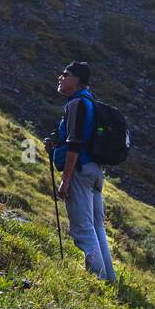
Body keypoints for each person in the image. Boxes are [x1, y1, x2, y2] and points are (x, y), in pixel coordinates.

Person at [51, 61, 116, 282]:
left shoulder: (77, 102)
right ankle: (109, 277)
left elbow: (75, 142)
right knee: (97, 227)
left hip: (80, 170)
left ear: (76, 80)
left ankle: (98, 280)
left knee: (83, 229)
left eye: (65, 74)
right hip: (95, 171)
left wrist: (65, 179)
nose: (60, 78)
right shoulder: (90, 101)